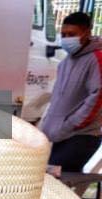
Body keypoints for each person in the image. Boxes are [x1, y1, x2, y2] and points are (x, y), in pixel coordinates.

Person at [41, 12, 102, 172]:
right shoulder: (65, 63)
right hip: (59, 136)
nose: (66, 39)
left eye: (72, 34)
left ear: (86, 33)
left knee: (54, 183)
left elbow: (97, 97)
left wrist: (71, 124)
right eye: (63, 34)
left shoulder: (96, 59)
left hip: (81, 136)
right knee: (47, 182)